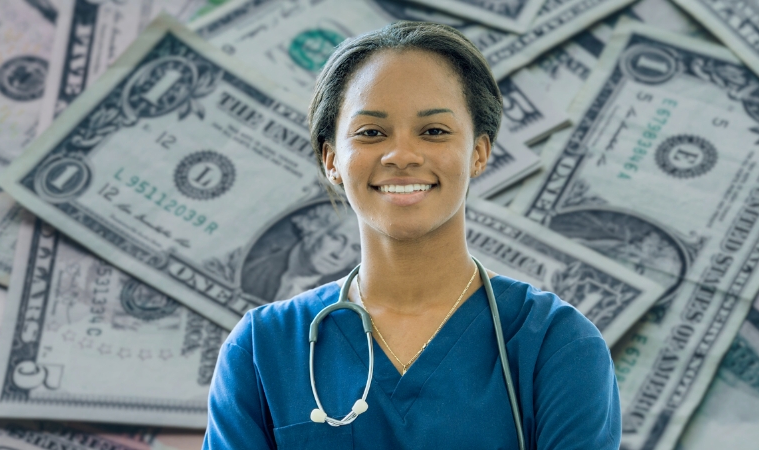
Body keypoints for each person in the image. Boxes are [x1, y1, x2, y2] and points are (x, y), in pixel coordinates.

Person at [204, 21, 620, 449]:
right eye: (371, 133)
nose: (401, 154)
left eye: (434, 131)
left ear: (479, 152)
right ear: (331, 160)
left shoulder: (558, 344)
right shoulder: (262, 348)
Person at [240, 202, 361, 302]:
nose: (339, 255)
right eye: (337, 238)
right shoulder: (253, 271)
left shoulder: (336, 300)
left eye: (355, 248)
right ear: (312, 230)